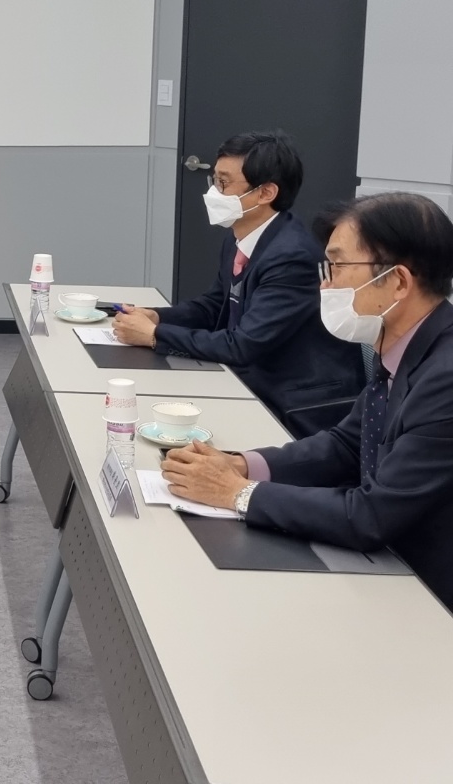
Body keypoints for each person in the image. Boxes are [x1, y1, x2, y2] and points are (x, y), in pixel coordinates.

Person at [162, 191, 453, 609]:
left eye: (337, 266)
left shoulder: (444, 378)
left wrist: (238, 493)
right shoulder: (403, 342)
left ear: (399, 282)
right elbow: (347, 445)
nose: (325, 285)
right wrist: (241, 465)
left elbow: (371, 516)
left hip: (428, 593)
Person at [113, 131, 364, 434]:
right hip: (253, 378)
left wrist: (155, 335)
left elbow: (244, 345)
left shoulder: (291, 257)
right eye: (214, 181)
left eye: (223, 183)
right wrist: (157, 317)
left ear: (266, 193)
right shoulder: (242, 237)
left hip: (296, 404)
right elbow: (214, 306)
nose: (213, 193)